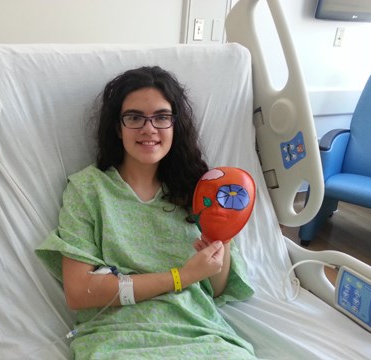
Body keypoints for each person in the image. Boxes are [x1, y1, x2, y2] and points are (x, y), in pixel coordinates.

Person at [36, 66, 257, 359]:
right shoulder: (88, 190)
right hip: (118, 336)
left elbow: (215, 289)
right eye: (135, 117)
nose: (149, 128)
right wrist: (181, 276)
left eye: (162, 117)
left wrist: (222, 241)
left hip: (198, 331)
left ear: (175, 125)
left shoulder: (199, 190)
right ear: (118, 127)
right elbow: (79, 292)